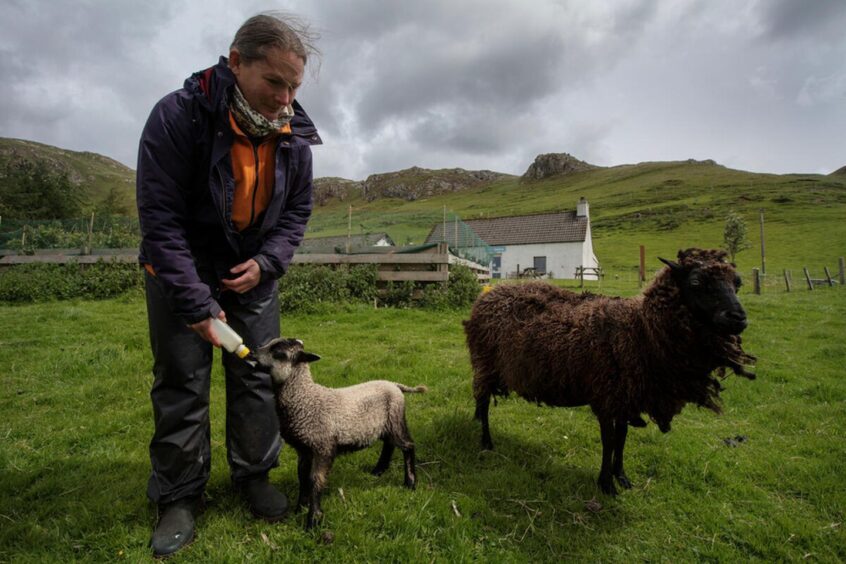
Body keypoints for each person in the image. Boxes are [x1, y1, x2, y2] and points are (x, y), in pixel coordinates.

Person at [136, 13, 320, 558]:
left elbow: (298, 212)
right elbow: (160, 218)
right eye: (275, 82)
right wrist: (194, 301)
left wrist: (267, 263)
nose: (285, 99)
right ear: (237, 62)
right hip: (179, 272)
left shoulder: (295, 139)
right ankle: (179, 494)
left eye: (294, 87)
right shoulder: (177, 117)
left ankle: (255, 475)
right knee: (181, 380)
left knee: (257, 376)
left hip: (252, 276)